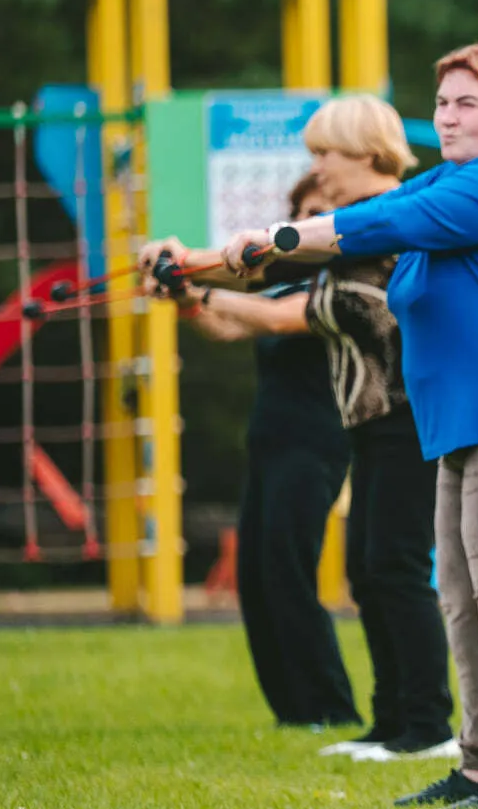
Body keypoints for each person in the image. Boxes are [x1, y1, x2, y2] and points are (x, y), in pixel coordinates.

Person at [224, 44, 478, 809]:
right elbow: (380, 215)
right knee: (462, 597)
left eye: (468, 103)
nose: (449, 117)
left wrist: (284, 235)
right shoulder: (452, 181)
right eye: (441, 104)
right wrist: (217, 258)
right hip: (461, 423)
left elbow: (384, 217)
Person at [145, 97, 457, 763]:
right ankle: (391, 722)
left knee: (395, 569)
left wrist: (193, 280)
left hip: (413, 418)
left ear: (367, 155)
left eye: (325, 155)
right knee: (369, 571)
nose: (315, 168)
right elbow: (261, 270)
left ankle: (428, 726)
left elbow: (287, 308)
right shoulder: (351, 227)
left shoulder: (388, 224)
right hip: (371, 421)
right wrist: (186, 270)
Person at [169, 173, 357, 730]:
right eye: (301, 214)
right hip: (271, 440)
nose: (308, 222)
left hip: (316, 444)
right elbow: (224, 331)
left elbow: (277, 319)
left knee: (289, 573)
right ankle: (293, 710)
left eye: (321, 213)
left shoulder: (340, 283)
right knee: (256, 576)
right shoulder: (279, 284)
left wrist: (201, 287)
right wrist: (183, 296)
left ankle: (331, 708)